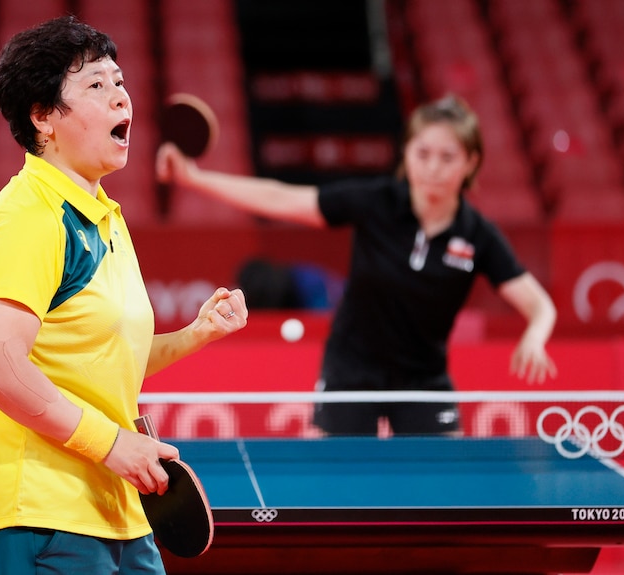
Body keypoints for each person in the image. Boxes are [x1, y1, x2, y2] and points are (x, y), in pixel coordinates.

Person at [0, 16, 247, 575]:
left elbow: (104, 362)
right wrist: (114, 445)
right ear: (42, 117)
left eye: (120, 82)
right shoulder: (27, 216)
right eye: (96, 85)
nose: (120, 97)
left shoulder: (105, 219)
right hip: (39, 520)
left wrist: (196, 335)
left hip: (118, 514)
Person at [156, 94, 557, 437]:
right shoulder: (378, 202)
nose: (433, 167)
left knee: (444, 496)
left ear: (470, 163)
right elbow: (281, 198)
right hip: (351, 370)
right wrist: (195, 179)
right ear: (407, 154)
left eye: (447, 157)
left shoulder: (477, 234)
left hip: (423, 379)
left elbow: (540, 306)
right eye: (423, 154)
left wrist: (535, 335)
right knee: (332, 497)